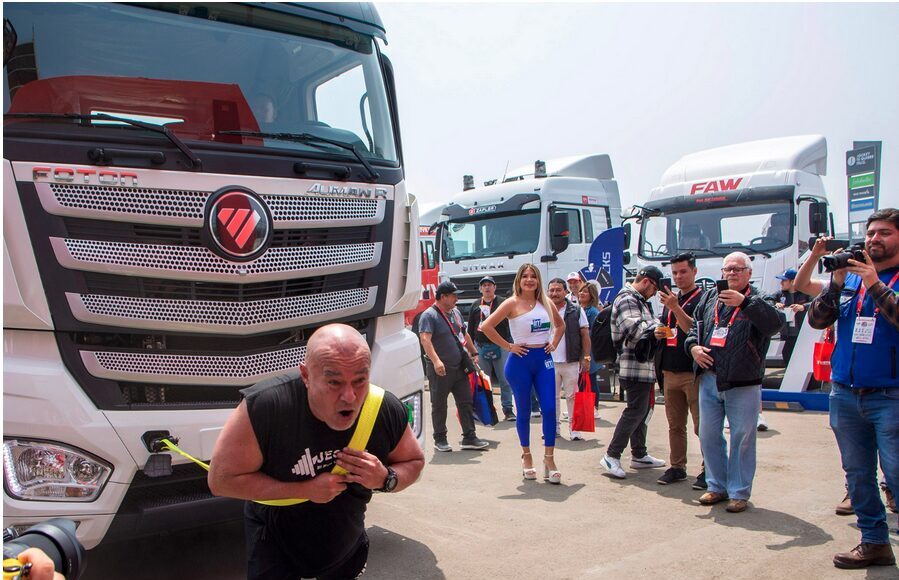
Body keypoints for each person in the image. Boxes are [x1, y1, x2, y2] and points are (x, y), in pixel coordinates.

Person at [207, 324, 425, 579]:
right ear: (306, 375)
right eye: (334, 382)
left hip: (343, 547)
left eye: (360, 380)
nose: (349, 396)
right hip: (274, 544)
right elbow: (221, 481)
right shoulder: (266, 407)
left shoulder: (382, 409)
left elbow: (414, 461)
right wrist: (305, 490)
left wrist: (386, 479)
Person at [807, 208, 899, 570]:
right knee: (858, 475)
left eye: (884, 233)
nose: (874, 238)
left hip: (891, 396)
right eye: (871, 232)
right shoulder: (854, 281)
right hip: (845, 394)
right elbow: (816, 320)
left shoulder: (877, 280)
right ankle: (875, 541)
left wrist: (875, 282)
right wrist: (835, 283)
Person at [685, 252, 781, 513]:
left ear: (749, 273)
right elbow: (695, 328)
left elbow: (774, 324)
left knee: (742, 436)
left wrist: (746, 303)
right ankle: (716, 486)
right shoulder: (709, 298)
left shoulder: (761, 298)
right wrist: (693, 347)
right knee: (707, 434)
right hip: (710, 377)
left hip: (743, 381)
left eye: (737, 269)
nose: (731, 274)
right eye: (727, 269)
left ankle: (739, 492)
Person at [480, 263, 564, 483]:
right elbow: (486, 326)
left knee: (549, 407)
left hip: (543, 360)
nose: (529, 280)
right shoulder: (511, 303)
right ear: (519, 280)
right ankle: (526, 457)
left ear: (538, 280)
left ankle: (549, 459)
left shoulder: (545, 302)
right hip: (519, 362)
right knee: (524, 411)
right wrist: (509, 346)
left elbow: (561, 325)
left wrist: (553, 342)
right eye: (525, 276)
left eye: (533, 276)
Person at [601, 266, 668, 479]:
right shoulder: (627, 299)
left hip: (644, 366)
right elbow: (635, 329)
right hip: (632, 366)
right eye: (655, 289)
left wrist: (657, 326)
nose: (654, 294)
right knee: (635, 410)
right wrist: (659, 327)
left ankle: (639, 454)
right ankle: (611, 455)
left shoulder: (639, 300)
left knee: (645, 410)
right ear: (647, 281)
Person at [652, 253, 706, 487]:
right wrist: (660, 331)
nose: (678, 276)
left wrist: (674, 307)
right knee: (675, 425)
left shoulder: (703, 299)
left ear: (694, 272)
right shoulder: (670, 300)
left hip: (692, 372)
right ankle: (677, 467)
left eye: (683, 271)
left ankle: (709, 469)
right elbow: (672, 329)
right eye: (674, 273)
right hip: (669, 370)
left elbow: (694, 329)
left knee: (702, 425)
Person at [418, 281, 490, 452]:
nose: (457, 299)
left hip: (459, 367)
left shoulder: (455, 312)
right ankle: (440, 439)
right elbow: (425, 340)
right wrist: (436, 361)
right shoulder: (429, 315)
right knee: (439, 404)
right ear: (443, 297)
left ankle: (469, 437)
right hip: (441, 370)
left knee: (465, 401)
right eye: (453, 295)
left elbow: (463, 334)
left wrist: (473, 353)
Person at [547, 278, 592, 441]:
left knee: (572, 396)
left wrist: (586, 358)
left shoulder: (576, 310)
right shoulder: (543, 310)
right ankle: (553, 429)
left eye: (558, 290)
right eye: (551, 290)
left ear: (566, 292)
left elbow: (585, 335)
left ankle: (575, 429)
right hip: (548, 362)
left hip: (571, 361)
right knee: (551, 397)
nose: (554, 293)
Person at [467, 275, 516, 422]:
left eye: (490, 285)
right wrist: (471, 349)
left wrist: (510, 344)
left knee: (505, 379)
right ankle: (486, 409)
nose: (487, 287)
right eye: (484, 285)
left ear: (495, 287)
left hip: (501, 345)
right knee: (483, 381)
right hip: (481, 346)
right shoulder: (475, 305)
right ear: (481, 288)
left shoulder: (503, 303)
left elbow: (511, 325)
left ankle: (508, 409)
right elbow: (470, 328)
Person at [771, 268, 811, 366]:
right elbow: (767, 301)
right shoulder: (779, 294)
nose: (781, 283)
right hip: (786, 335)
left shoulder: (805, 293)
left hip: (802, 335)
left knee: (803, 361)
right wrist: (776, 304)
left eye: (784, 280)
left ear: (793, 281)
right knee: (788, 359)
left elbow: (817, 302)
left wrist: (803, 307)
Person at [577, 282, 603, 417]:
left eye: (585, 292)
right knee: (581, 380)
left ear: (591, 295)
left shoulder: (592, 311)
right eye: (581, 291)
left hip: (589, 350)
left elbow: (593, 333)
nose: (581, 293)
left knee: (591, 379)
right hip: (580, 350)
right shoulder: (579, 309)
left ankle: (594, 408)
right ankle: (583, 407)